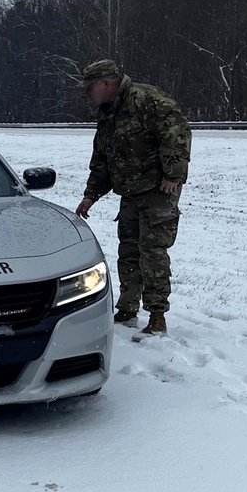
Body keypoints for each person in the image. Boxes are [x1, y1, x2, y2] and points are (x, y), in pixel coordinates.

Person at [74, 59, 191, 338]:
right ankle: (127, 308)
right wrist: (91, 195)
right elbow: (102, 157)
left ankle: (157, 316)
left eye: (89, 87)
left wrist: (173, 175)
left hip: (158, 190)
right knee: (128, 251)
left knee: (152, 252)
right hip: (130, 190)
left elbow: (176, 133)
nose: (87, 93)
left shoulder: (145, 99)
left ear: (105, 83)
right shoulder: (107, 112)